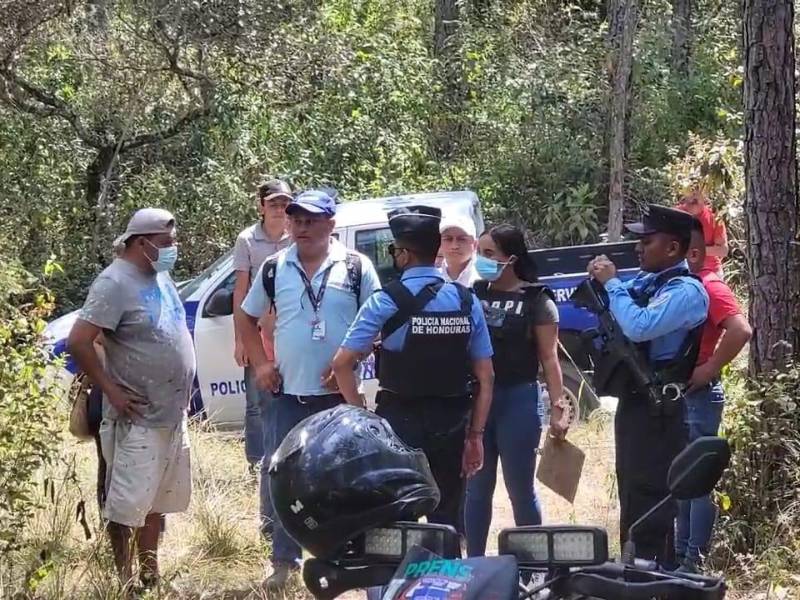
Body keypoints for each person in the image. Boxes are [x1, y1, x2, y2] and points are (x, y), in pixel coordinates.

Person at [237, 189, 381, 592]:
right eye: (296, 220)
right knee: (283, 477)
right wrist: (261, 364)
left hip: (338, 399)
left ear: (330, 225)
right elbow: (246, 319)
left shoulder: (356, 266)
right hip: (287, 395)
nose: (301, 227)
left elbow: (374, 325)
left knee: (344, 477)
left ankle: (350, 559)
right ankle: (283, 562)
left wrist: (347, 362)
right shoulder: (273, 267)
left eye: (310, 220)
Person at [331, 205, 495, 531]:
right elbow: (486, 377)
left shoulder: (385, 301)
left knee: (399, 519)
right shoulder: (466, 301)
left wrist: (362, 418)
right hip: (452, 423)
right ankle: (447, 577)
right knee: (447, 520)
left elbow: (341, 364)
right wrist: (475, 435)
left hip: (398, 425)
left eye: (394, 250)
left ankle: (402, 580)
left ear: (404, 254)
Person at [68, 208, 195, 590]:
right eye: (167, 242)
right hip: (136, 415)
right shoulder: (114, 283)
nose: (173, 248)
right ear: (143, 243)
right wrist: (112, 390)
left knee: (156, 502)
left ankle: (150, 574)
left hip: (170, 412)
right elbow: (79, 340)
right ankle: (124, 581)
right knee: (126, 506)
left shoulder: (160, 275)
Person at [587, 203, 708, 563]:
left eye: (647, 241)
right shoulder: (649, 282)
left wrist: (612, 284)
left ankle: (654, 577)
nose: (638, 248)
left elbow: (640, 325)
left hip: (661, 409)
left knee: (651, 500)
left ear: (673, 248)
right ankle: (635, 570)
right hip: (636, 403)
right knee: (632, 494)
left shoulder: (686, 291)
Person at [464, 224, 570, 557]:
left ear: (510, 259)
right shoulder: (474, 292)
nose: (480, 259)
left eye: (488, 254)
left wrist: (559, 406)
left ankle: (534, 568)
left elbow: (550, 358)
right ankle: (474, 567)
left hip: (518, 402)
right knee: (476, 489)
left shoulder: (537, 299)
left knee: (519, 490)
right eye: (478, 252)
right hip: (477, 403)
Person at [674, 218, 751, 573]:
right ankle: (680, 557)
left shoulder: (710, 284)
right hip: (685, 395)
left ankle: (693, 561)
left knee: (700, 480)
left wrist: (708, 369)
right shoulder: (684, 284)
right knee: (683, 479)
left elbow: (740, 329)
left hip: (701, 395)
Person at [232, 179, 292, 473]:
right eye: (274, 204)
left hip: (290, 330)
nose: (280, 210)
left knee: (291, 396)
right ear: (261, 207)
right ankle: (257, 464)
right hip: (257, 332)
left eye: (284, 204)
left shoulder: (297, 235)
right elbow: (240, 291)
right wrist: (240, 339)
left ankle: (287, 458)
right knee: (256, 402)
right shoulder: (247, 240)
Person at [676, 187, 728, 278]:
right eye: (691, 189)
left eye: (698, 189)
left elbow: (723, 250)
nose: (694, 194)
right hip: (681, 270)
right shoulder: (675, 214)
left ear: (705, 194)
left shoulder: (714, 216)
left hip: (711, 271)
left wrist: (689, 250)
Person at [439, 213, 480, 286]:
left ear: (475, 244)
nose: (454, 246)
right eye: (448, 239)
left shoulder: (486, 279)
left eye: (462, 239)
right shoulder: (432, 278)